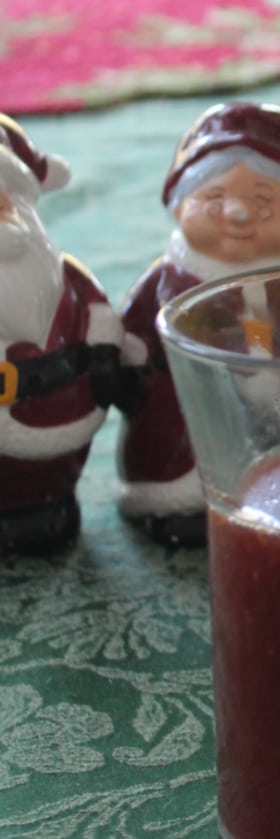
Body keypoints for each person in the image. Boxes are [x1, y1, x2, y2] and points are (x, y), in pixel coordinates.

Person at [118, 101, 280, 546]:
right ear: (180, 207)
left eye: (264, 202)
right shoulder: (172, 279)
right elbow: (132, 334)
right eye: (214, 199)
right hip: (189, 414)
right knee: (180, 431)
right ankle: (180, 510)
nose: (237, 214)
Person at [0, 113, 126, 555]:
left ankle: (46, 508)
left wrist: (104, 357)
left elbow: (101, 321)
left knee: (46, 494)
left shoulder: (68, 279)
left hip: (62, 417)